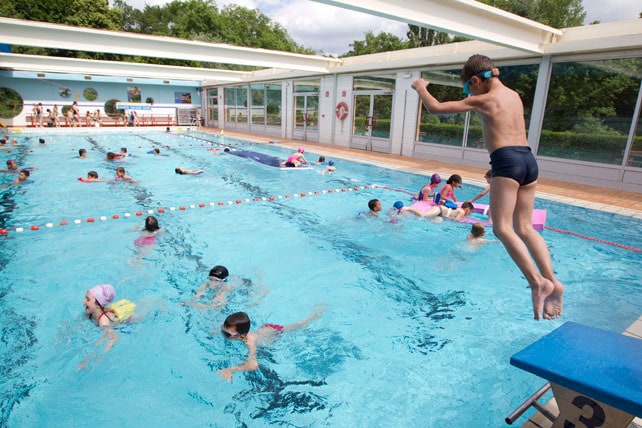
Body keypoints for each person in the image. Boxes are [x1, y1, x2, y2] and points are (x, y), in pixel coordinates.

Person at [412, 54, 563, 320]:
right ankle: (553, 281)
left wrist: (421, 87)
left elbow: (435, 107)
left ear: (474, 81)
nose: (467, 93)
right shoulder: (514, 95)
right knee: (525, 227)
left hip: (507, 161)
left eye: (467, 89)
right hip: (528, 160)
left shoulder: (483, 99)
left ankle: (537, 283)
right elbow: (508, 129)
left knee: (503, 228)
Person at [218, 305, 326, 382]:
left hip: (273, 334)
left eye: (227, 335)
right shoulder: (234, 332)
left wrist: (231, 369)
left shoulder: (250, 342)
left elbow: (253, 364)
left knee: (295, 327)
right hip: (263, 330)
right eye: (223, 331)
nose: (224, 335)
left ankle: (314, 316)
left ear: (241, 336)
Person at [79, 284, 136, 370]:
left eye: (88, 299)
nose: (83, 302)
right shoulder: (89, 313)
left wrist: (91, 358)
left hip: (129, 318)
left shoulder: (103, 321)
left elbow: (114, 337)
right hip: (114, 311)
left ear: (98, 305)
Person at [401, 201, 474, 222]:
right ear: (467, 209)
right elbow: (456, 221)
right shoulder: (462, 212)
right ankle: (408, 208)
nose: (470, 213)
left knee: (437, 221)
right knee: (423, 215)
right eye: (470, 211)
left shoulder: (458, 208)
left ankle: (406, 213)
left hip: (440, 212)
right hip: (439, 210)